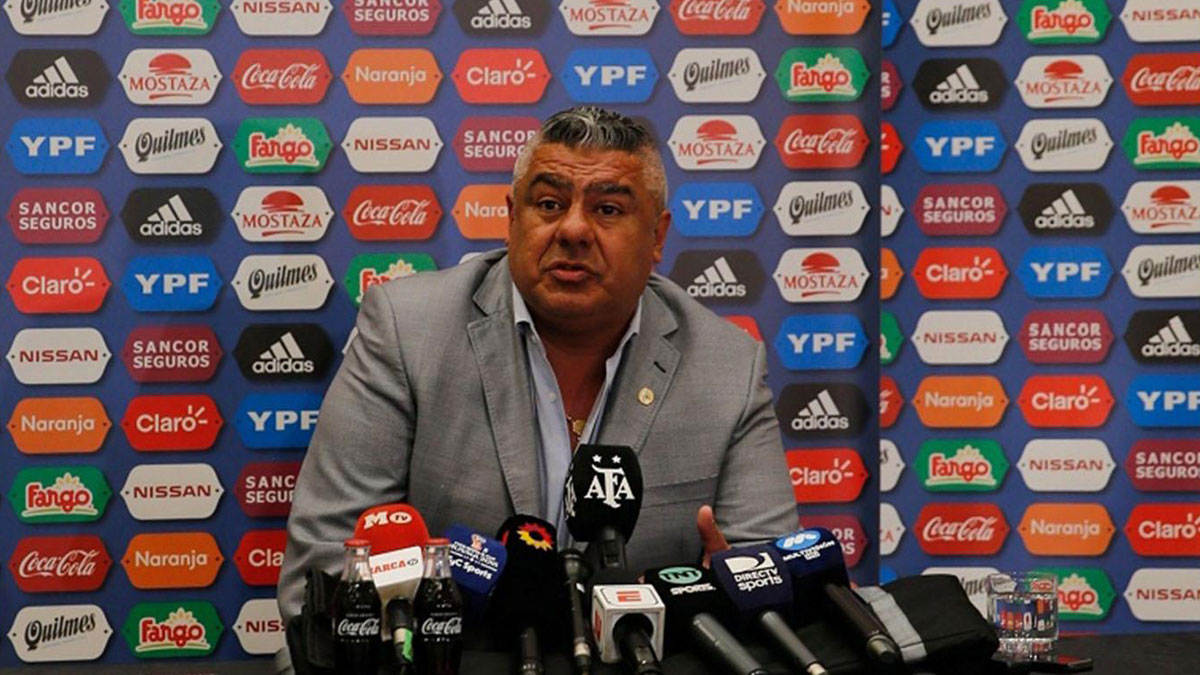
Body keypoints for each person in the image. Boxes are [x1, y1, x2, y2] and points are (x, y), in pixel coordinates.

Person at [278, 106, 796, 626]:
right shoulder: (407, 332)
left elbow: (772, 587)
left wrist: (734, 599)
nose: (573, 229)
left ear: (657, 237)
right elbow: (322, 574)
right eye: (549, 204)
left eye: (608, 209)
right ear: (511, 219)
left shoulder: (727, 367)